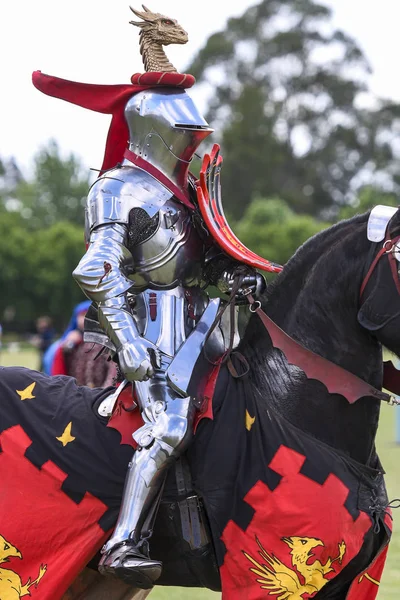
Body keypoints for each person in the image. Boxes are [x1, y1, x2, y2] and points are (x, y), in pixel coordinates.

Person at [32, 5, 280, 588]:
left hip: (204, 327)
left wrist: (242, 280)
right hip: (147, 330)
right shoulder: (117, 189)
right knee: (169, 426)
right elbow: (96, 270)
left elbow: (210, 258)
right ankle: (124, 543)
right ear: (156, 131)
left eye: (194, 134)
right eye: (183, 133)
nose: (191, 142)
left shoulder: (186, 192)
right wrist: (130, 341)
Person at [44, 300, 117, 388]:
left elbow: (113, 373)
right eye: (82, 315)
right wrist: (65, 347)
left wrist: (105, 394)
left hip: (101, 395)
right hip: (77, 395)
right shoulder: (72, 342)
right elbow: (59, 369)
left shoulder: (108, 342)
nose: (86, 318)